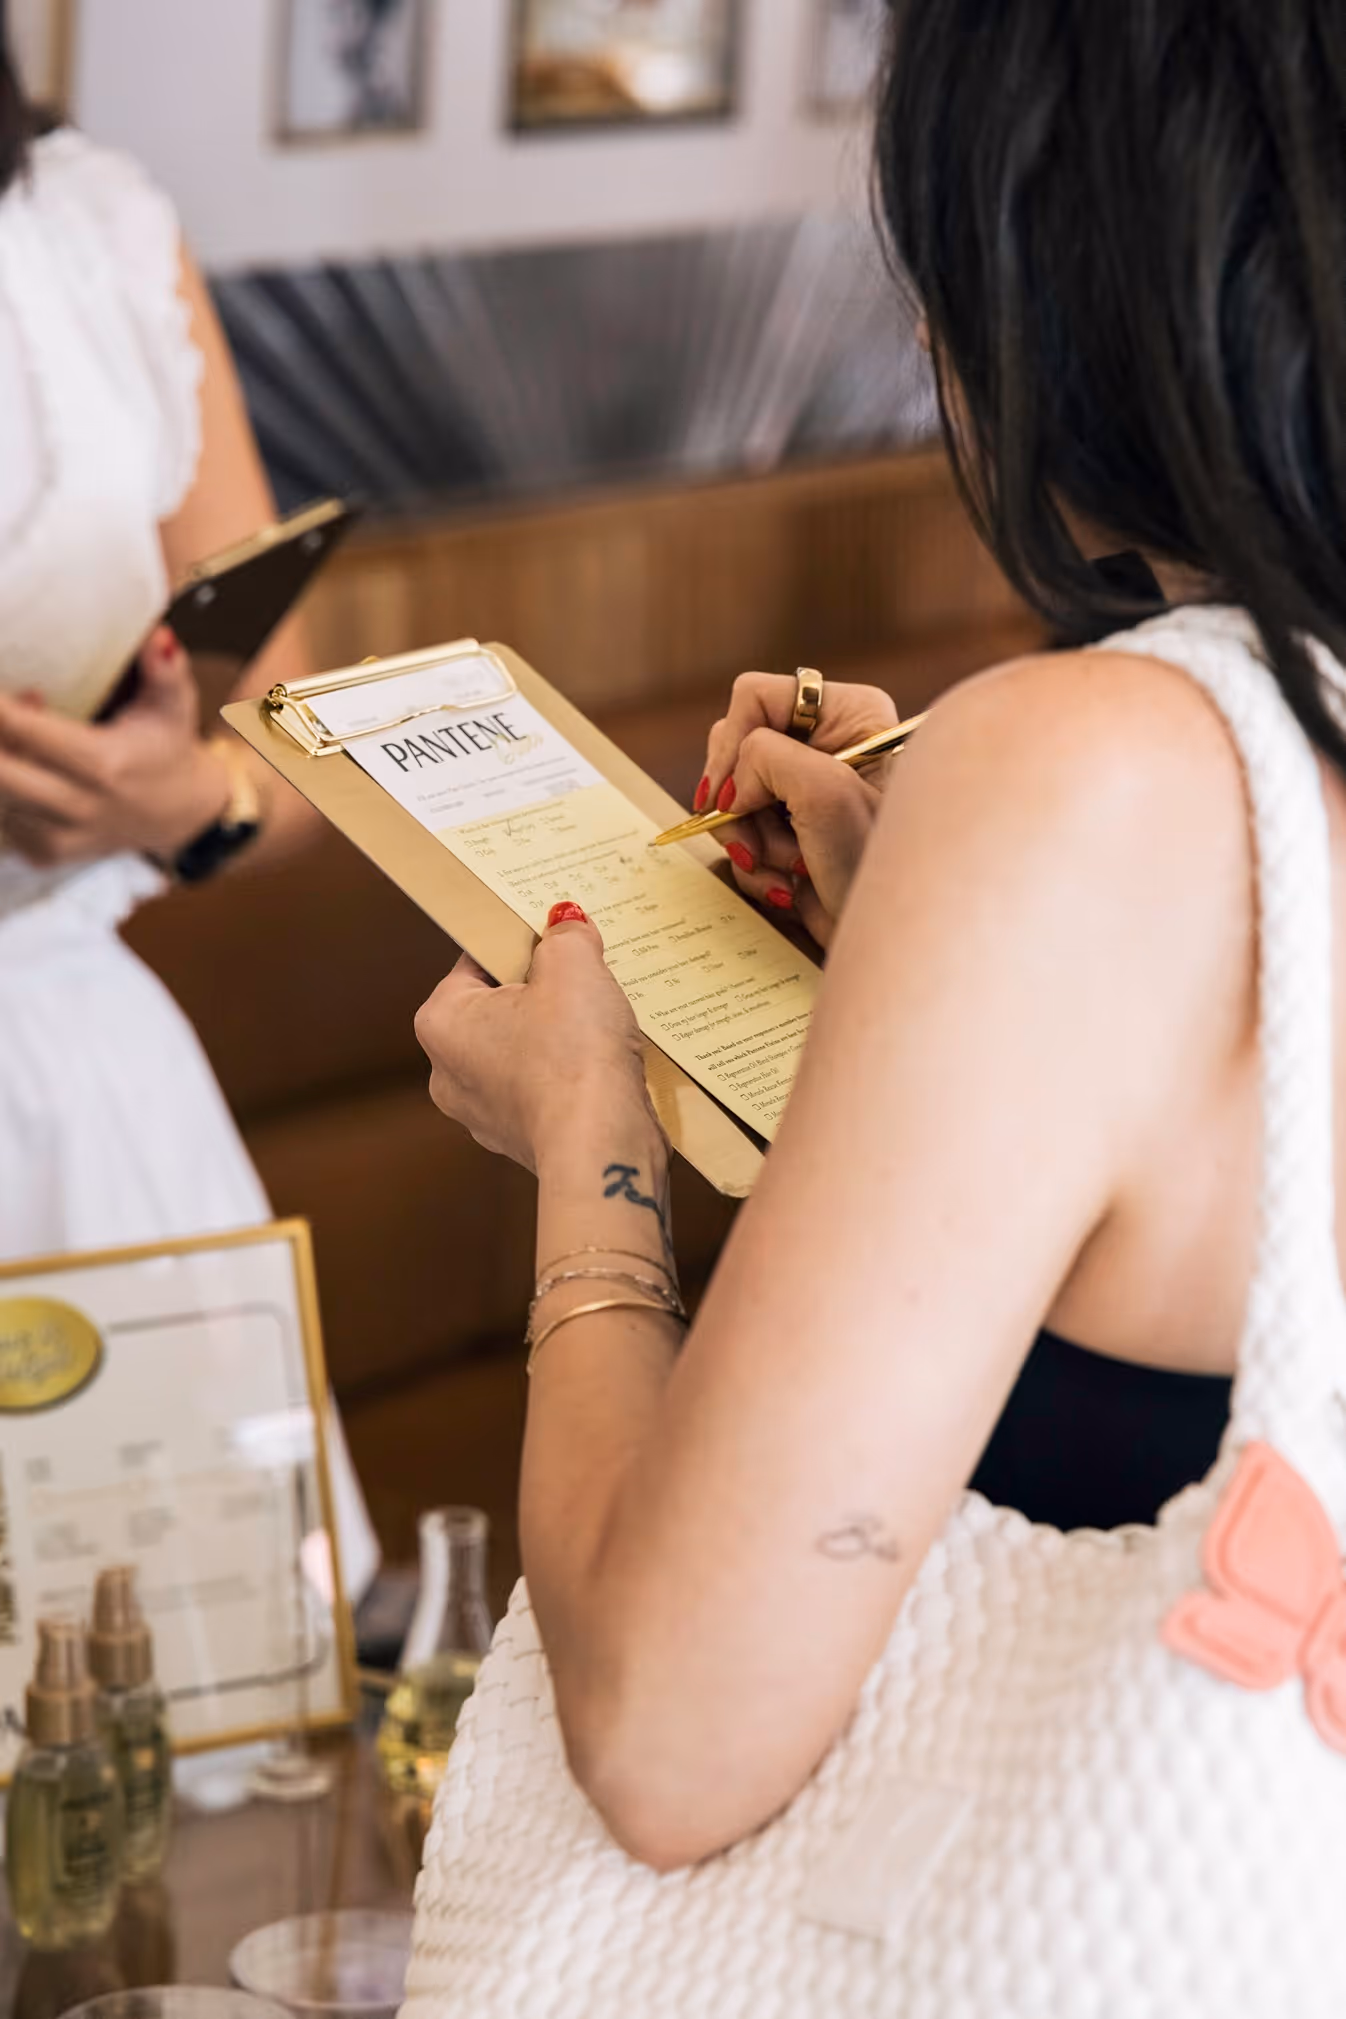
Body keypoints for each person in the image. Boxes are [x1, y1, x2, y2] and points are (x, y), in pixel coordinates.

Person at [409, 0, 1346, 2005]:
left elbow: (669, 1731)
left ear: (1062, 262)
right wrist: (909, 935)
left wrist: (594, 1142)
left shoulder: (1092, 774)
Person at [0, 20, 378, 1599]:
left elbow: (282, 746)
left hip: (62, 1070)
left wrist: (185, 797)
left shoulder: (93, 232)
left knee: (151, 1736)